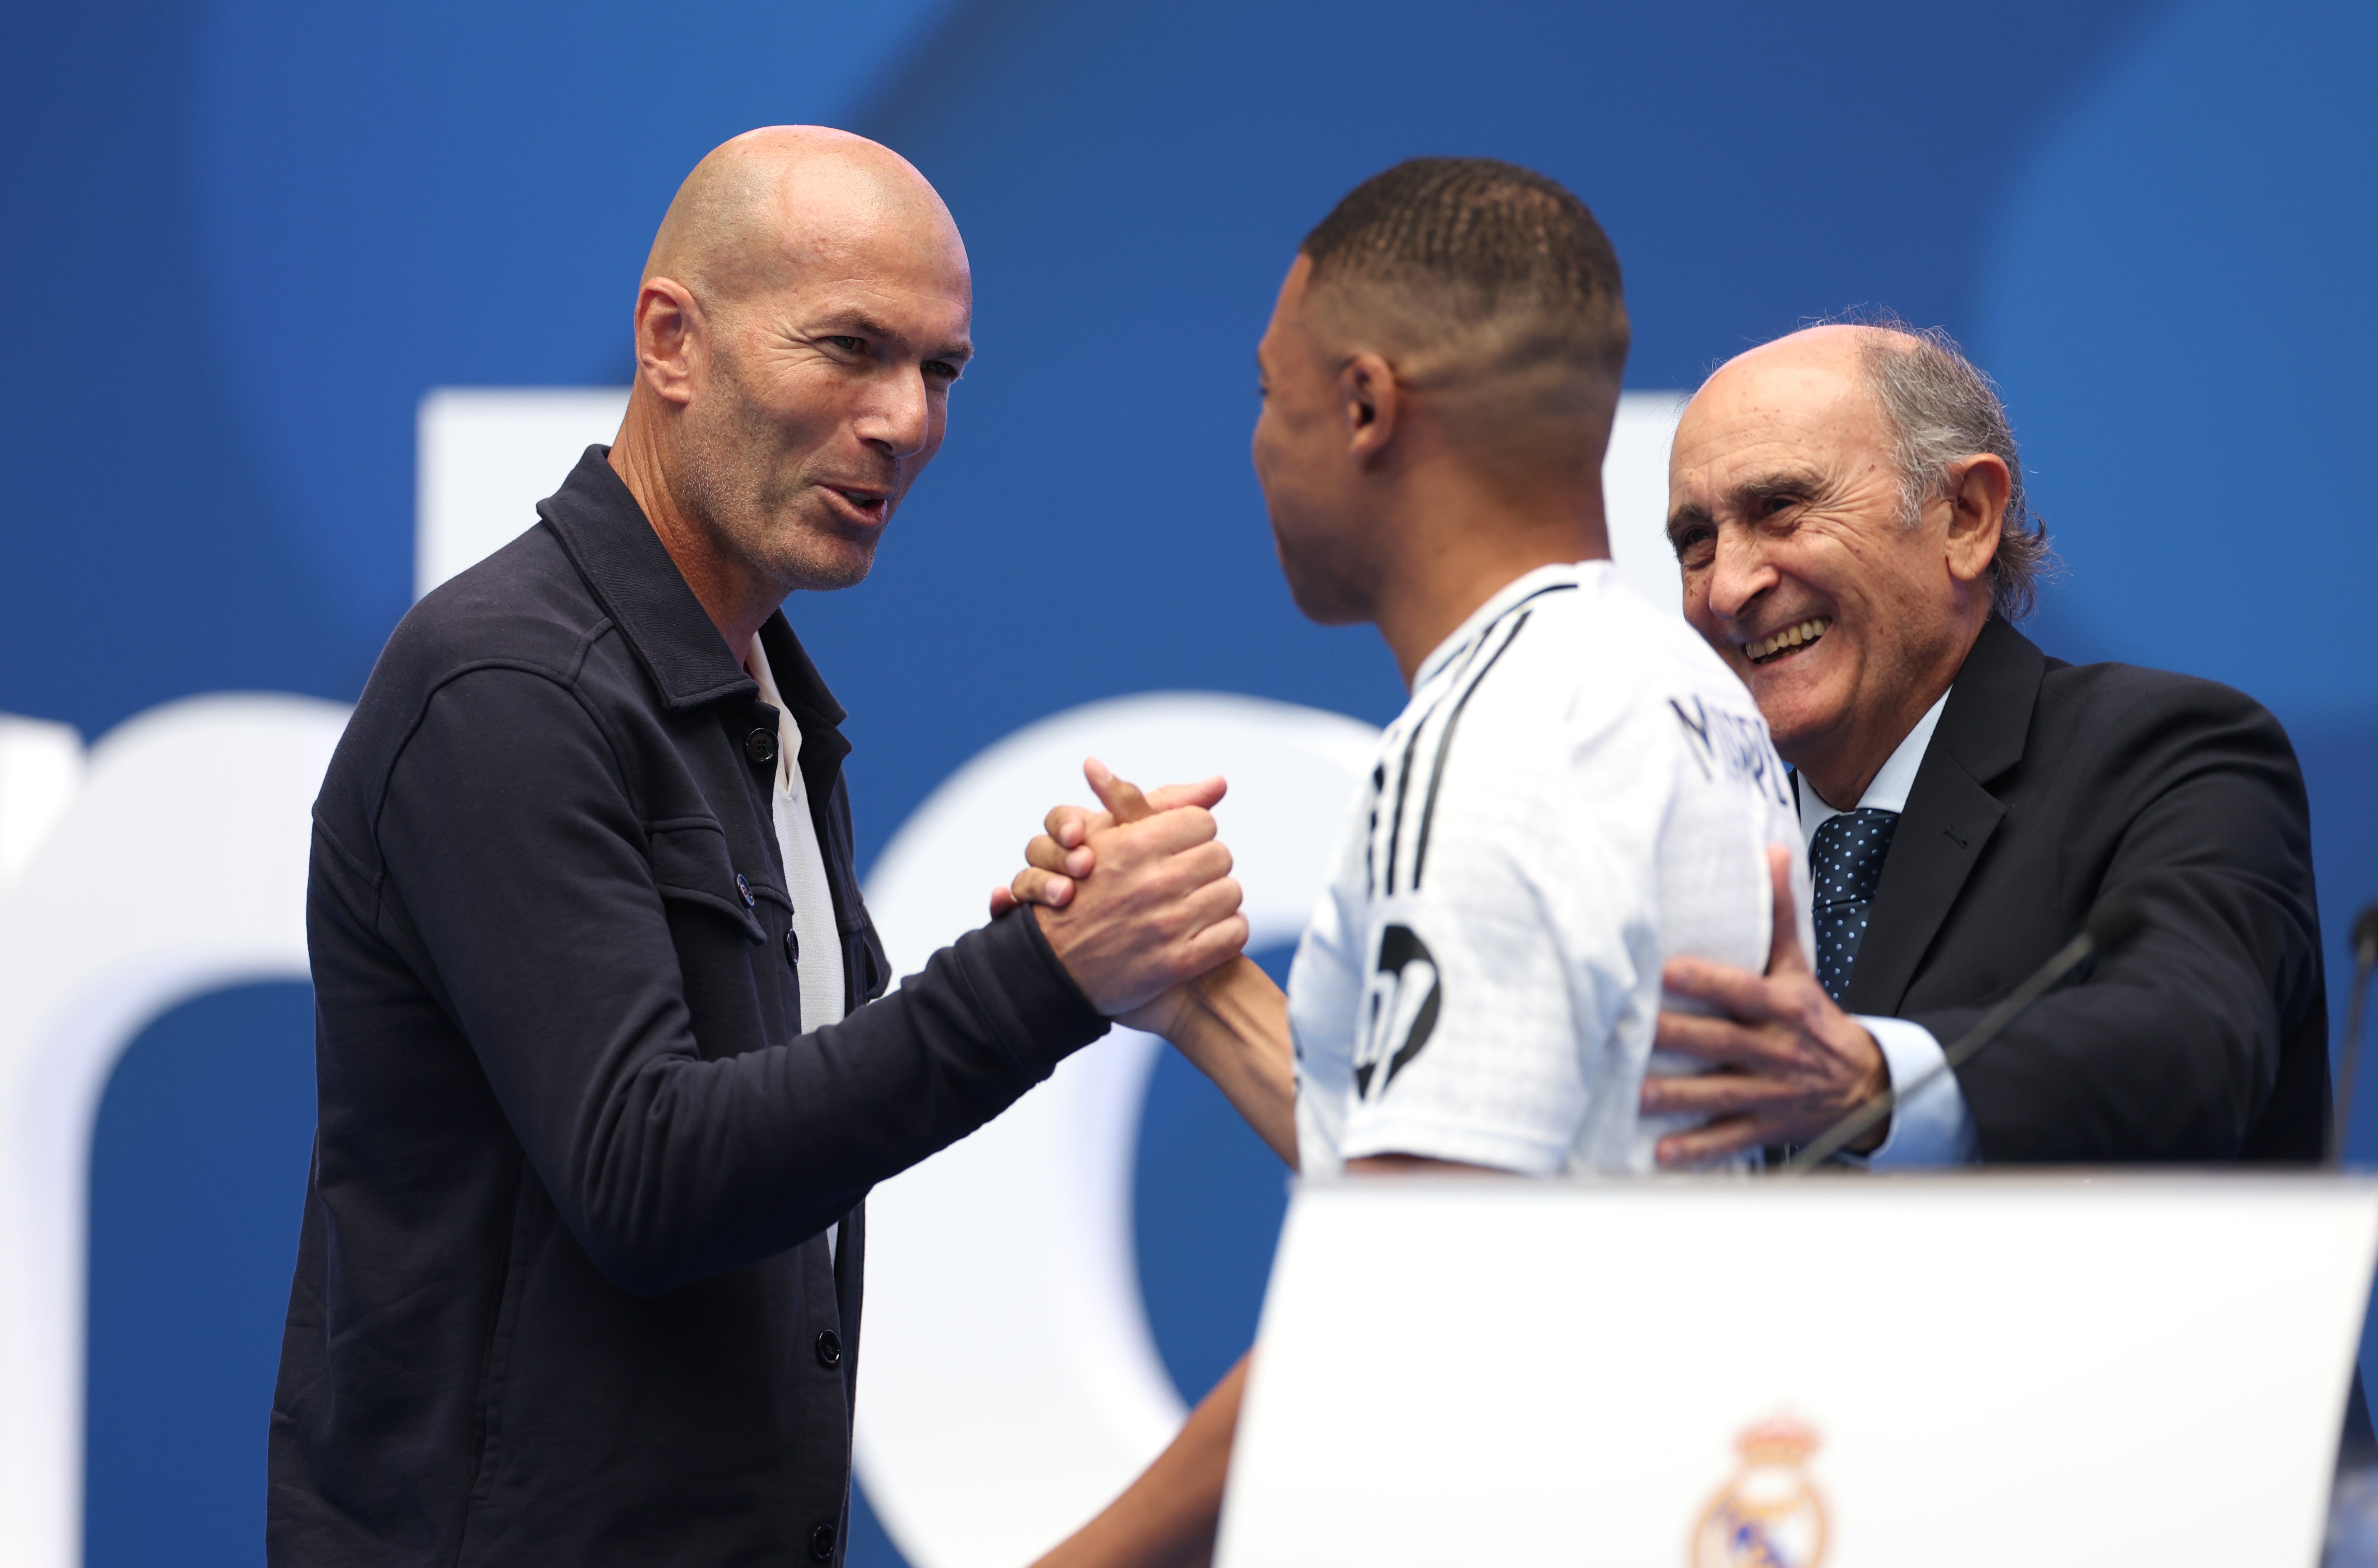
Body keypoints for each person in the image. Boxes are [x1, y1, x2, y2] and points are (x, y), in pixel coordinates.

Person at [268, 127, 1248, 1567]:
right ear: (672, 341)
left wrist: (1049, 948)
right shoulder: (507, 686)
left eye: (941, 372)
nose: (904, 420)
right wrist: (1042, 975)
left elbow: (757, 1136)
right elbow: (650, 1175)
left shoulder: (762, 701)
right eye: (849, 348)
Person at [993, 156, 1810, 1568]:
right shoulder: (1675, 695)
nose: (1256, 441)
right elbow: (1518, 1172)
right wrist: (1195, 991)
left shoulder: (1487, 743)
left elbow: (1409, 1296)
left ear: (1366, 405)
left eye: (1269, 393)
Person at [1641, 320, 2328, 1167]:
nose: (1728, 587)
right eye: (1694, 543)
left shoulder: (2167, 755)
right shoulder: (1701, 844)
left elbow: (2190, 1044)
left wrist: (1874, 1082)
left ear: (1964, 517)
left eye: (1779, 508)